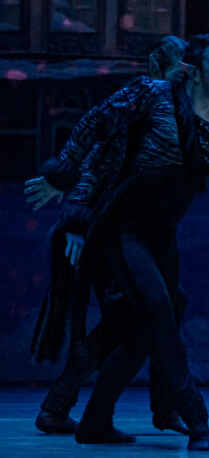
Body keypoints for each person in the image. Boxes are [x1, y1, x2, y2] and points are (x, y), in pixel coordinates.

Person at [34, 34, 209, 451]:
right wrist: (64, 179)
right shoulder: (154, 97)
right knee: (157, 313)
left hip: (160, 238)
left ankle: (93, 418)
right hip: (121, 228)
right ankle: (194, 416)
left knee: (141, 327)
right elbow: (96, 130)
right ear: (193, 73)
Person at [24, 36, 191, 437]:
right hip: (108, 233)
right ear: (161, 68)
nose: (186, 78)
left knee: (150, 313)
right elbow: (97, 151)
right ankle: (148, 410)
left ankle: (64, 408)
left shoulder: (175, 111)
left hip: (129, 233)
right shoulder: (145, 95)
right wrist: (75, 218)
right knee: (141, 318)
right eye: (181, 70)